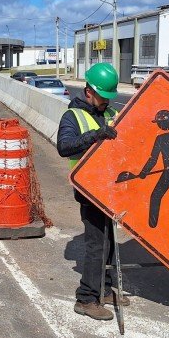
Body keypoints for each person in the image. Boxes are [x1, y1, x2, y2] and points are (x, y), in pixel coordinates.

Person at [57, 63, 129, 321]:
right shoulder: (72, 116)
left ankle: (104, 288)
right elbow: (64, 147)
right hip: (89, 192)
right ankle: (86, 299)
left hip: (109, 190)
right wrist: (96, 135)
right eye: (102, 97)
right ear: (89, 92)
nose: (106, 103)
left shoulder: (109, 111)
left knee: (109, 243)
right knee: (96, 245)